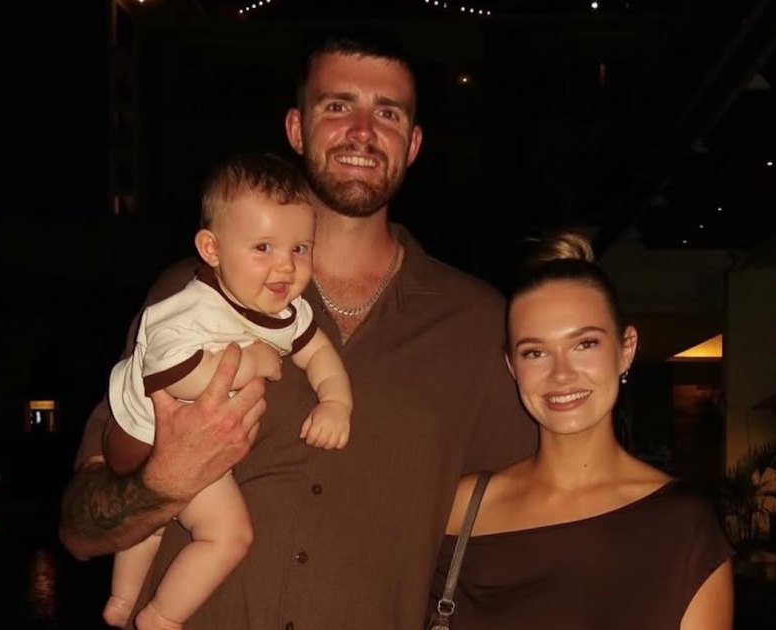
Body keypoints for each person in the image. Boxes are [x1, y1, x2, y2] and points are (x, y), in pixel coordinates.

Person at [58, 29, 538, 630]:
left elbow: (534, 525)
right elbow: (80, 527)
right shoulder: (188, 296)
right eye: (337, 106)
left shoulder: (478, 324)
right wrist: (163, 484)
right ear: (295, 129)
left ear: (413, 144)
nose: (362, 131)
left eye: (388, 113)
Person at [429, 232, 734, 629]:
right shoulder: (462, 508)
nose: (561, 373)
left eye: (585, 344)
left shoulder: (684, 527)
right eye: (535, 352)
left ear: (626, 349)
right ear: (512, 367)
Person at [101, 153, 353, 629]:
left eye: (300, 248)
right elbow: (171, 373)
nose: (285, 266)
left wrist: (336, 402)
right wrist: (248, 363)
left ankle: (121, 601)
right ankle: (161, 617)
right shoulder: (191, 308)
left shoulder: (285, 311)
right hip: (151, 438)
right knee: (229, 537)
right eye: (263, 247)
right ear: (212, 249)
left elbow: (319, 351)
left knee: (151, 527)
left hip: (176, 443)